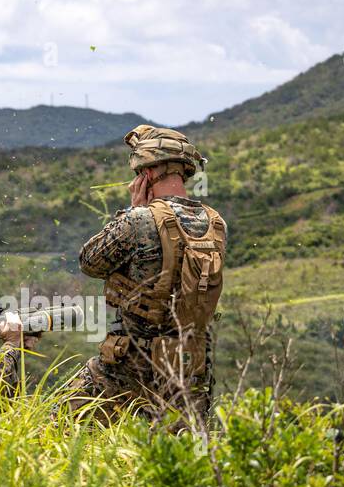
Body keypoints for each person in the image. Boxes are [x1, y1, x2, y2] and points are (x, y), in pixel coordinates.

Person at [68, 125, 226, 425]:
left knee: (59, 427)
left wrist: (133, 211)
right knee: (180, 460)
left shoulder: (139, 219)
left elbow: (89, 262)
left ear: (148, 173)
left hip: (129, 366)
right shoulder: (216, 224)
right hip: (188, 368)